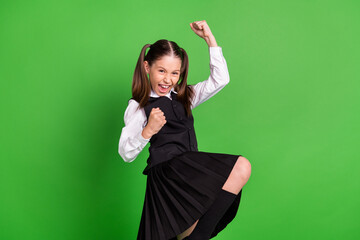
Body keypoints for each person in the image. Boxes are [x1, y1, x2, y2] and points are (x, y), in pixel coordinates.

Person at [118, 20, 252, 240]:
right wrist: (148, 130)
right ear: (146, 67)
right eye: (161, 70)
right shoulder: (139, 106)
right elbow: (125, 153)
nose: (168, 79)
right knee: (240, 166)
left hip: (189, 174)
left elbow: (220, 79)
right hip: (168, 177)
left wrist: (210, 40)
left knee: (239, 171)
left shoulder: (185, 97)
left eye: (174, 73)